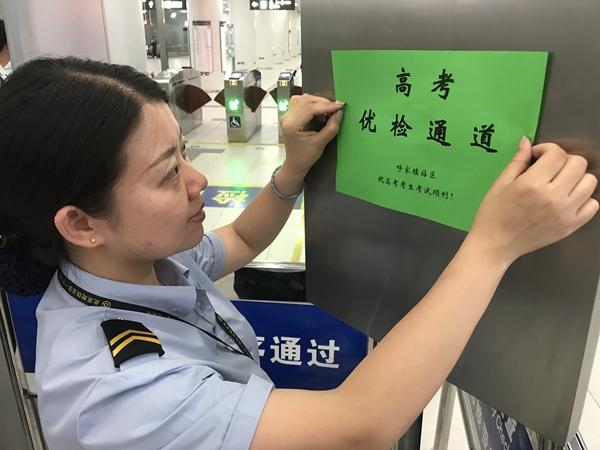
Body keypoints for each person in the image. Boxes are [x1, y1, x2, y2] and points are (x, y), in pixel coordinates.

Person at [0, 57, 596, 450]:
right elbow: (357, 427)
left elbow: (241, 240)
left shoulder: (138, 265)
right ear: (81, 224)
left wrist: (293, 168)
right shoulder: (118, 395)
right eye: (167, 174)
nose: (197, 179)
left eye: (184, 152)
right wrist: (494, 244)